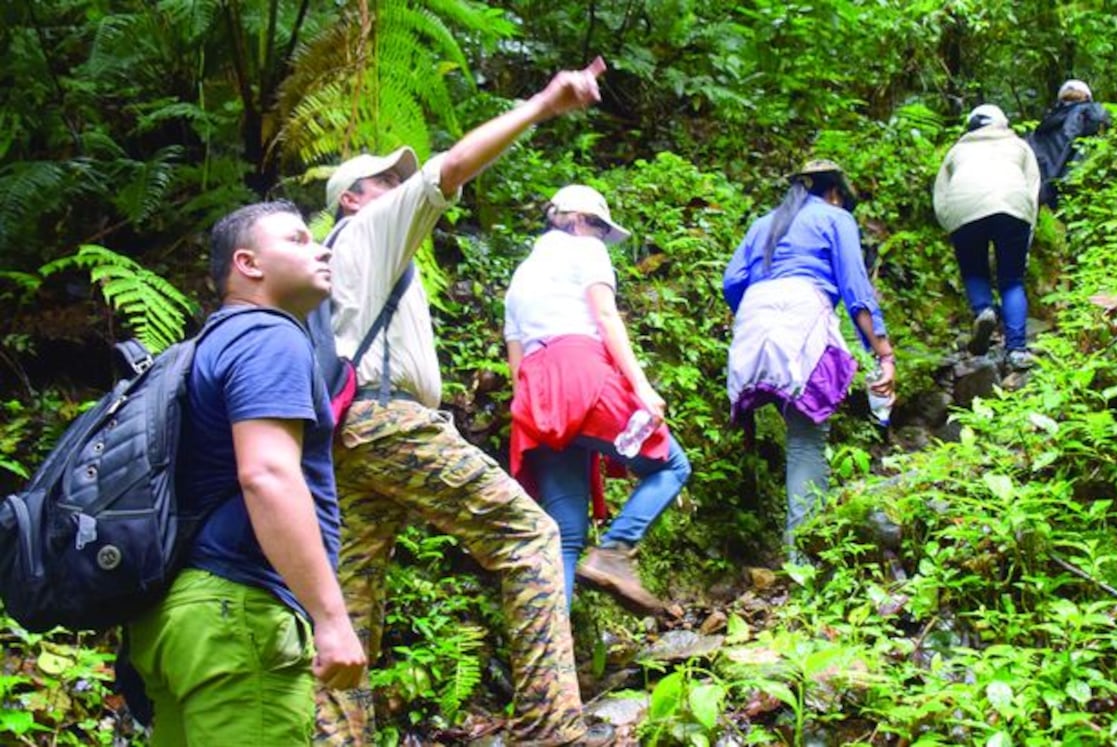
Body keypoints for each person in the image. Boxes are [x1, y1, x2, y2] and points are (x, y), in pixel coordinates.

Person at [313, 59, 614, 747]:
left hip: (343, 436)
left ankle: (335, 738)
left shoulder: (337, 258)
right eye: (384, 180)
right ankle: (550, 728)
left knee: (350, 608)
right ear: (354, 199)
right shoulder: (369, 230)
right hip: (388, 420)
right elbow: (449, 168)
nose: (399, 187)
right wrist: (542, 103)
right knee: (531, 535)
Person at [124, 201, 367, 745]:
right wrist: (330, 618)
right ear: (248, 263)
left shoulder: (202, 349)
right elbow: (267, 473)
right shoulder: (269, 337)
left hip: (175, 617)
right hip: (237, 614)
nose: (323, 248)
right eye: (298, 239)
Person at [503, 184, 692, 614]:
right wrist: (641, 388)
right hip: (581, 372)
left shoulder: (521, 277)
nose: (602, 240)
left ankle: (554, 667)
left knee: (565, 536)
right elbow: (605, 317)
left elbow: (517, 361)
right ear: (577, 220)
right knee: (672, 464)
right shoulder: (585, 251)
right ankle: (614, 551)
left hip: (535, 392)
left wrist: (534, 413)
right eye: (600, 229)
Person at [723, 160, 895, 564]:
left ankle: (793, 549)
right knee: (807, 437)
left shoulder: (764, 224)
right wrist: (883, 354)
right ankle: (803, 559)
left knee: (788, 424)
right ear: (835, 193)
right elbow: (856, 289)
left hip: (753, 318)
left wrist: (756, 311)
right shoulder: (836, 218)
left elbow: (732, 280)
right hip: (802, 316)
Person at [933, 104, 1041, 369]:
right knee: (1012, 280)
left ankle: (984, 310)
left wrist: (952, 226)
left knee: (974, 271)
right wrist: (1028, 229)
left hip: (964, 208)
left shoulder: (957, 151)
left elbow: (940, 195)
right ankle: (1016, 350)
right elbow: (1033, 189)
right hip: (1013, 207)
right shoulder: (1019, 146)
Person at [1027, 79, 1112, 209]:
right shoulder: (1092, 113)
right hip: (1081, 188)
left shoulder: (1044, 126)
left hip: (1047, 195)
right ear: (1087, 97)